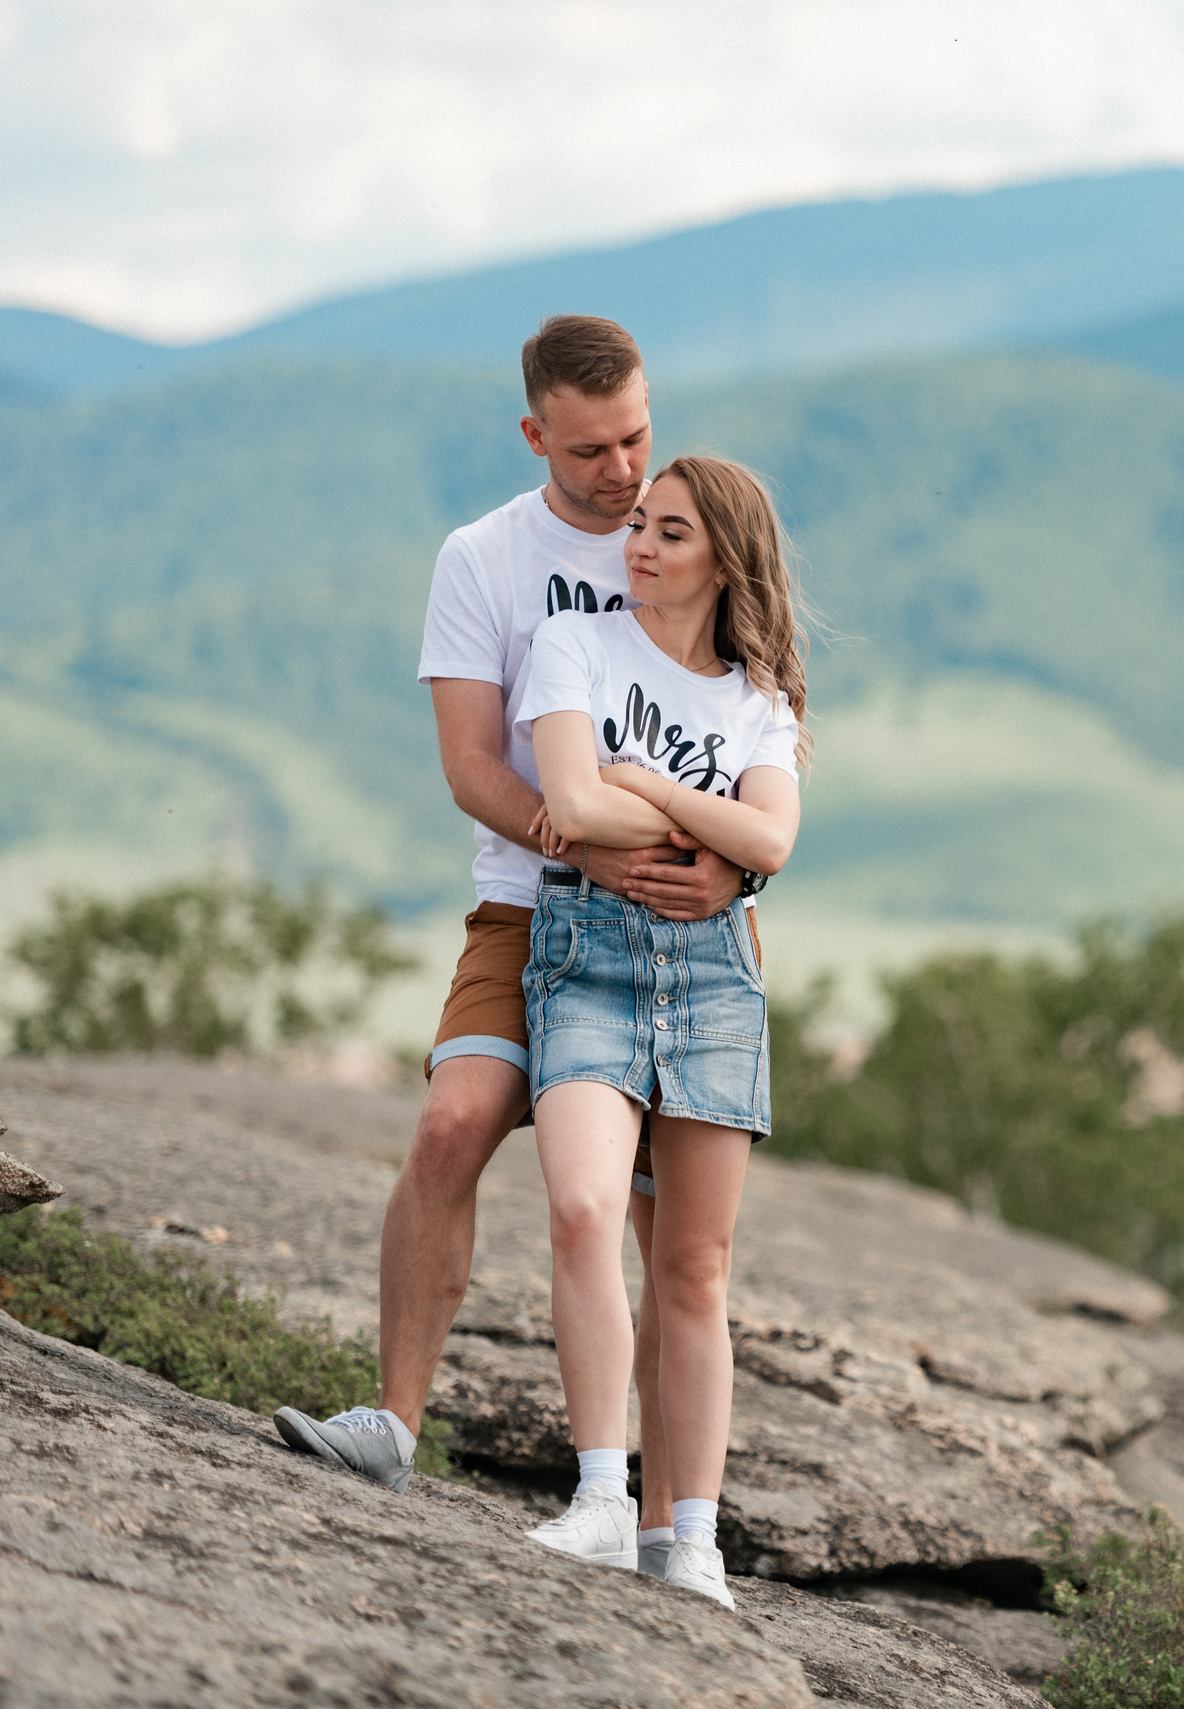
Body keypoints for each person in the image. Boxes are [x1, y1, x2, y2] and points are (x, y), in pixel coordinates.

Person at [273, 318, 749, 1503]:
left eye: (635, 436)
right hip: (525, 910)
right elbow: (472, 766)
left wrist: (737, 871)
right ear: (536, 433)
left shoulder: (694, 534)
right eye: (590, 450)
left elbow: (759, 723)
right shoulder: (481, 558)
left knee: (662, 1237)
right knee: (450, 1125)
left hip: (679, 926)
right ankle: (391, 1419)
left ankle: (668, 1512)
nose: (622, 472)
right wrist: (580, 831)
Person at [510, 455, 808, 1608]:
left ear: (723, 559)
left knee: (693, 1267)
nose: (638, 543)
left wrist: (657, 786)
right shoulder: (575, 642)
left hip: (715, 977)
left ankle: (690, 1540)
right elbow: (571, 806)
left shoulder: (759, 699)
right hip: (587, 957)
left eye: (669, 531)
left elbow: (772, 846)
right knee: (583, 1203)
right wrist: (709, 828)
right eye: (638, 522)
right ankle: (597, 1495)